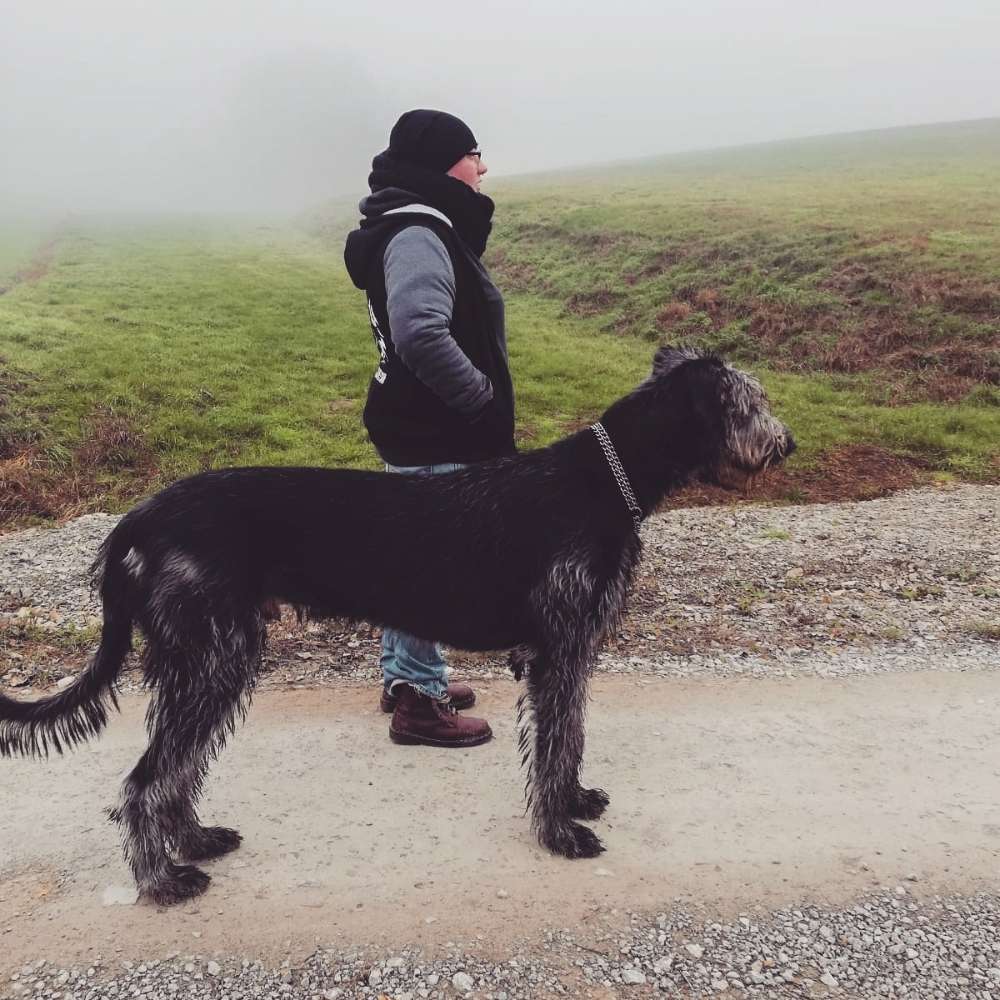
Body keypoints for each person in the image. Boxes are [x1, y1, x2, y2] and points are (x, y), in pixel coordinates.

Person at [344, 109, 515, 748]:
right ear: (443, 164)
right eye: (473, 154)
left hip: (413, 419)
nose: (483, 167)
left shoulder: (409, 222)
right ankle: (420, 700)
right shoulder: (419, 231)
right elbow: (419, 330)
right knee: (433, 562)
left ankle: (403, 675)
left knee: (409, 551)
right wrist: (480, 400)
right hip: (437, 426)